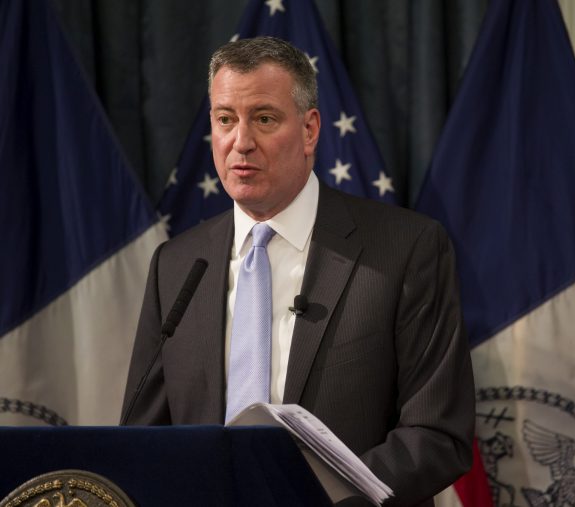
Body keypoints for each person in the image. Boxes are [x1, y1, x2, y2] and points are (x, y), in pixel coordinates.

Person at [121, 36, 474, 506]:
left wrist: (316, 500)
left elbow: (437, 434)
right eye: (225, 119)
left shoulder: (404, 249)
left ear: (309, 130)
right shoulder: (177, 265)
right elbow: (142, 439)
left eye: (264, 119)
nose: (240, 142)